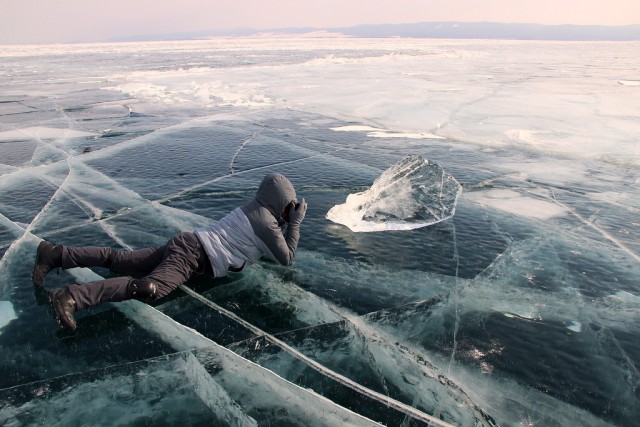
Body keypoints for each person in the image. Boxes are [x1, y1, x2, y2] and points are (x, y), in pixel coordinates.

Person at [32, 173, 307, 332]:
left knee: (119, 261)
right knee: (149, 288)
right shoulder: (266, 222)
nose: (288, 211)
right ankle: (71, 297)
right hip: (193, 256)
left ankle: (56, 254)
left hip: (188, 243)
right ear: (279, 202)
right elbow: (286, 258)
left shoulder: (257, 210)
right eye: (287, 206)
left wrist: (287, 222)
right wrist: (295, 222)